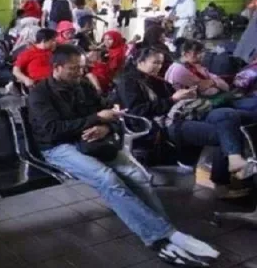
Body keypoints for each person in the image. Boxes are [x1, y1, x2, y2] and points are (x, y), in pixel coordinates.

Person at [29, 44, 221, 265]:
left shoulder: (83, 86)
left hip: (93, 141)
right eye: (73, 69)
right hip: (57, 147)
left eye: (82, 68)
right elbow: (52, 130)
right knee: (107, 179)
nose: (80, 73)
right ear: (57, 67)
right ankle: (164, 237)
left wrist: (105, 128)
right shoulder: (40, 94)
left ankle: (165, 234)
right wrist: (95, 119)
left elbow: (111, 115)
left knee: (138, 177)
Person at [118, 48, 257, 192]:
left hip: (185, 113)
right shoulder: (129, 82)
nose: (159, 66)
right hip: (165, 124)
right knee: (226, 133)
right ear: (140, 62)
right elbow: (138, 110)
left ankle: (234, 160)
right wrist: (173, 99)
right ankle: (223, 182)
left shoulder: (157, 80)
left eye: (160, 63)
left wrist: (188, 95)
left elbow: (175, 99)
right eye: (155, 63)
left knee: (227, 114)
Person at [165, 39, 257, 114]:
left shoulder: (190, 66)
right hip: (203, 106)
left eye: (201, 52)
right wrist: (213, 81)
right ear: (186, 54)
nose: (201, 56)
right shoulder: (180, 70)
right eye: (196, 53)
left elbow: (216, 84)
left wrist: (212, 81)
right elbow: (207, 88)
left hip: (210, 101)